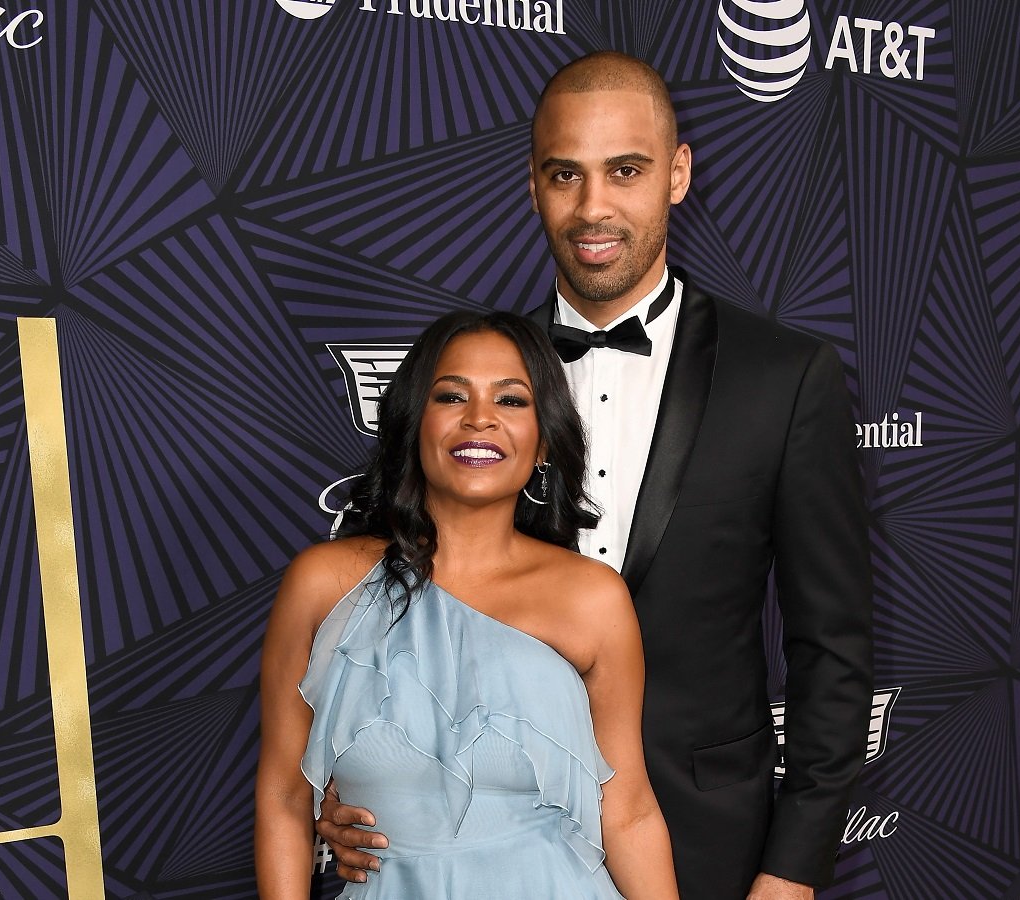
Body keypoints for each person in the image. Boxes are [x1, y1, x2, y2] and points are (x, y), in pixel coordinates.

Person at [316, 52, 874, 900]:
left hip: (704, 837)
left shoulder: (786, 377)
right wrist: (342, 787)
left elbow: (832, 649)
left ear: (677, 175)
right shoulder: (478, 383)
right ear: (533, 185)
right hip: (483, 834)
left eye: (626, 171)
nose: (594, 207)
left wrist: (792, 871)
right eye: (564, 174)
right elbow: (383, 606)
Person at [255, 311, 679, 899]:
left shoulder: (592, 598)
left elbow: (627, 808)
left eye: (511, 401)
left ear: (544, 442)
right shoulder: (324, 584)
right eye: (452, 395)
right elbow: (283, 795)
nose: (480, 419)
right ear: (413, 424)